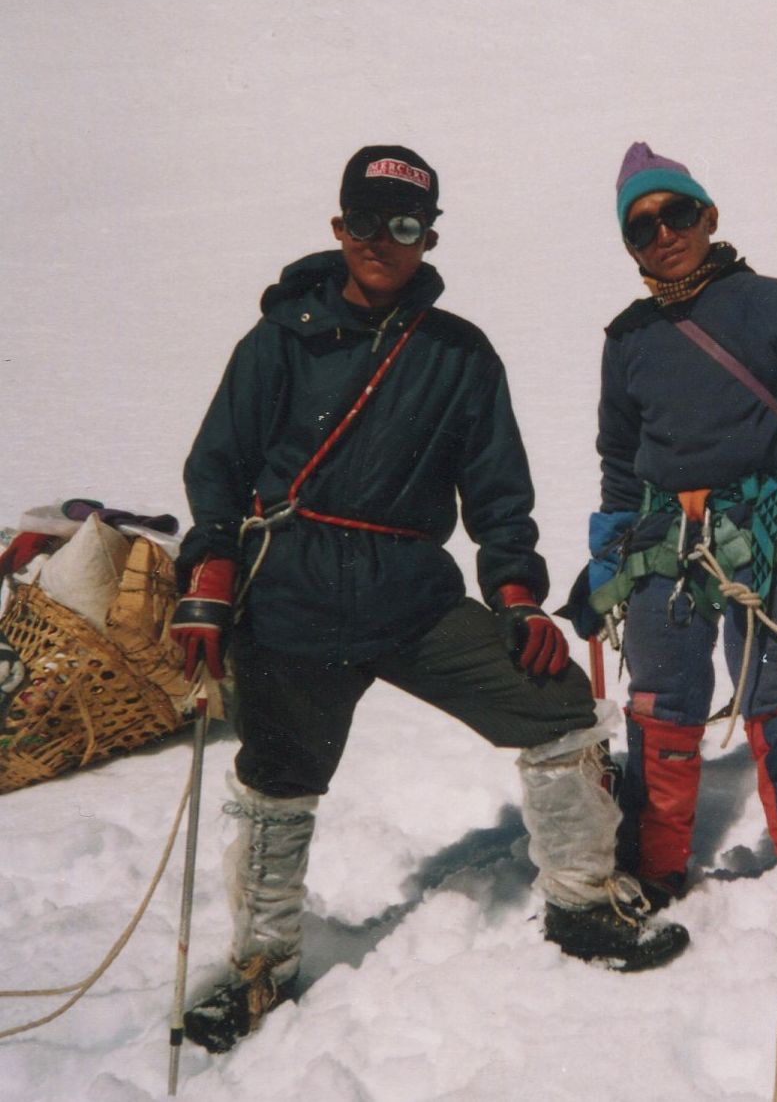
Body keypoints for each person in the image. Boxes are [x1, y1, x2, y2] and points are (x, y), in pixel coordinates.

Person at [170, 144, 688, 1054]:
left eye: (403, 224)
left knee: (556, 703)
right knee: (278, 780)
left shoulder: (458, 354)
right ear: (339, 229)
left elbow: (498, 495)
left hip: (409, 598)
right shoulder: (278, 339)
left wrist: (521, 600)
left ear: (428, 236)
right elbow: (218, 468)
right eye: (365, 221)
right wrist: (210, 573)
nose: (382, 240)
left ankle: (580, 904)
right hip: (288, 597)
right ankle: (259, 963)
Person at [564, 141, 777, 981]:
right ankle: (655, 866)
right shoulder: (628, 338)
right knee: (660, 710)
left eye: (675, 213)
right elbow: (617, 458)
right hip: (663, 545)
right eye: (641, 227)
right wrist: (607, 551)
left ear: (709, 215)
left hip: (775, 531)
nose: (662, 232)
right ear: (629, 245)